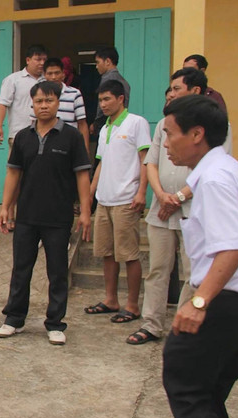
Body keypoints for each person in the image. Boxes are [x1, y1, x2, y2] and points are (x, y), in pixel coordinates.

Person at [160, 94, 238, 418]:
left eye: (170, 134)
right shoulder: (223, 170)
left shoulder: (215, 180)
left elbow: (231, 248)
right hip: (229, 301)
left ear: (196, 134)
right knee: (208, 400)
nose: (165, 143)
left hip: (223, 300)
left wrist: (199, 301)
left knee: (186, 390)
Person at [0, 81, 92, 345]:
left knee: (57, 271)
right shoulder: (23, 137)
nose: (44, 106)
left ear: (58, 103)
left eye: (49, 101)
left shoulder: (71, 137)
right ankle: (13, 319)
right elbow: (14, 173)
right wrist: (6, 207)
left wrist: (85, 211)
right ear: (32, 104)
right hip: (26, 215)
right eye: (39, 101)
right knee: (21, 270)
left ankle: (55, 323)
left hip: (59, 217)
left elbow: (82, 175)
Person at [125, 68, 205, 345]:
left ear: (195, 91)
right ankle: (152, 324)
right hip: (161, 208)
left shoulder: (216, 126)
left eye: (176, 89)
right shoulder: (163, 124)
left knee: (192, 272)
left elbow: (210, 168)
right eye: (169, 90)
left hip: (192, 210)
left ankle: (183, 327)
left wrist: (180, 198)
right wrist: (160, 194)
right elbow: (152, 162)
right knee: (158, 268)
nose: (170, 93)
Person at [85, 80, 151, 323]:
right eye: (100, 100)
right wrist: (90, 194)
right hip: (104, 200)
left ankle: (132, 305)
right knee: (106, 253)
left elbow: (146, 159)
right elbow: (101, 164)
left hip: (127, 199)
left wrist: (142, 192)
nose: (102, 105)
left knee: (129, 254)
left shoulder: (137, 123)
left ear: (121, 98)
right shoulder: (104, 129)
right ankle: (111, 299)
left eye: (107, 99)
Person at [0, 44, 47, 231]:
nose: (41, 63)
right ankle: (9, 214)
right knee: (15, 177)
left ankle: (30, 216)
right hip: (18, 136)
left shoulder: (46, 82)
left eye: (43, 60)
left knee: (35, 178)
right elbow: (3, 104)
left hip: (42, 136)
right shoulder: (13, 80)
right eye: (37, 59)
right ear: (28, 60)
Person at [42, 57, 90, 154]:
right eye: (50, 73)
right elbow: (34, 122)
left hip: (70, 145)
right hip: (45, 146)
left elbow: (82, 123)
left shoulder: (75, 94)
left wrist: (85, 149)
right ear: (44, 75)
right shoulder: (39, 94)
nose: (53, 77)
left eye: (57, 73)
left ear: (63, 75)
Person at [91, 47, 130, 136]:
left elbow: (102, 109)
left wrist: (97, 122)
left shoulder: (107, 79)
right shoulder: (125, 82)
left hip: (107, 121)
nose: (96, 66)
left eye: (98, 62)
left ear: (107, 61)